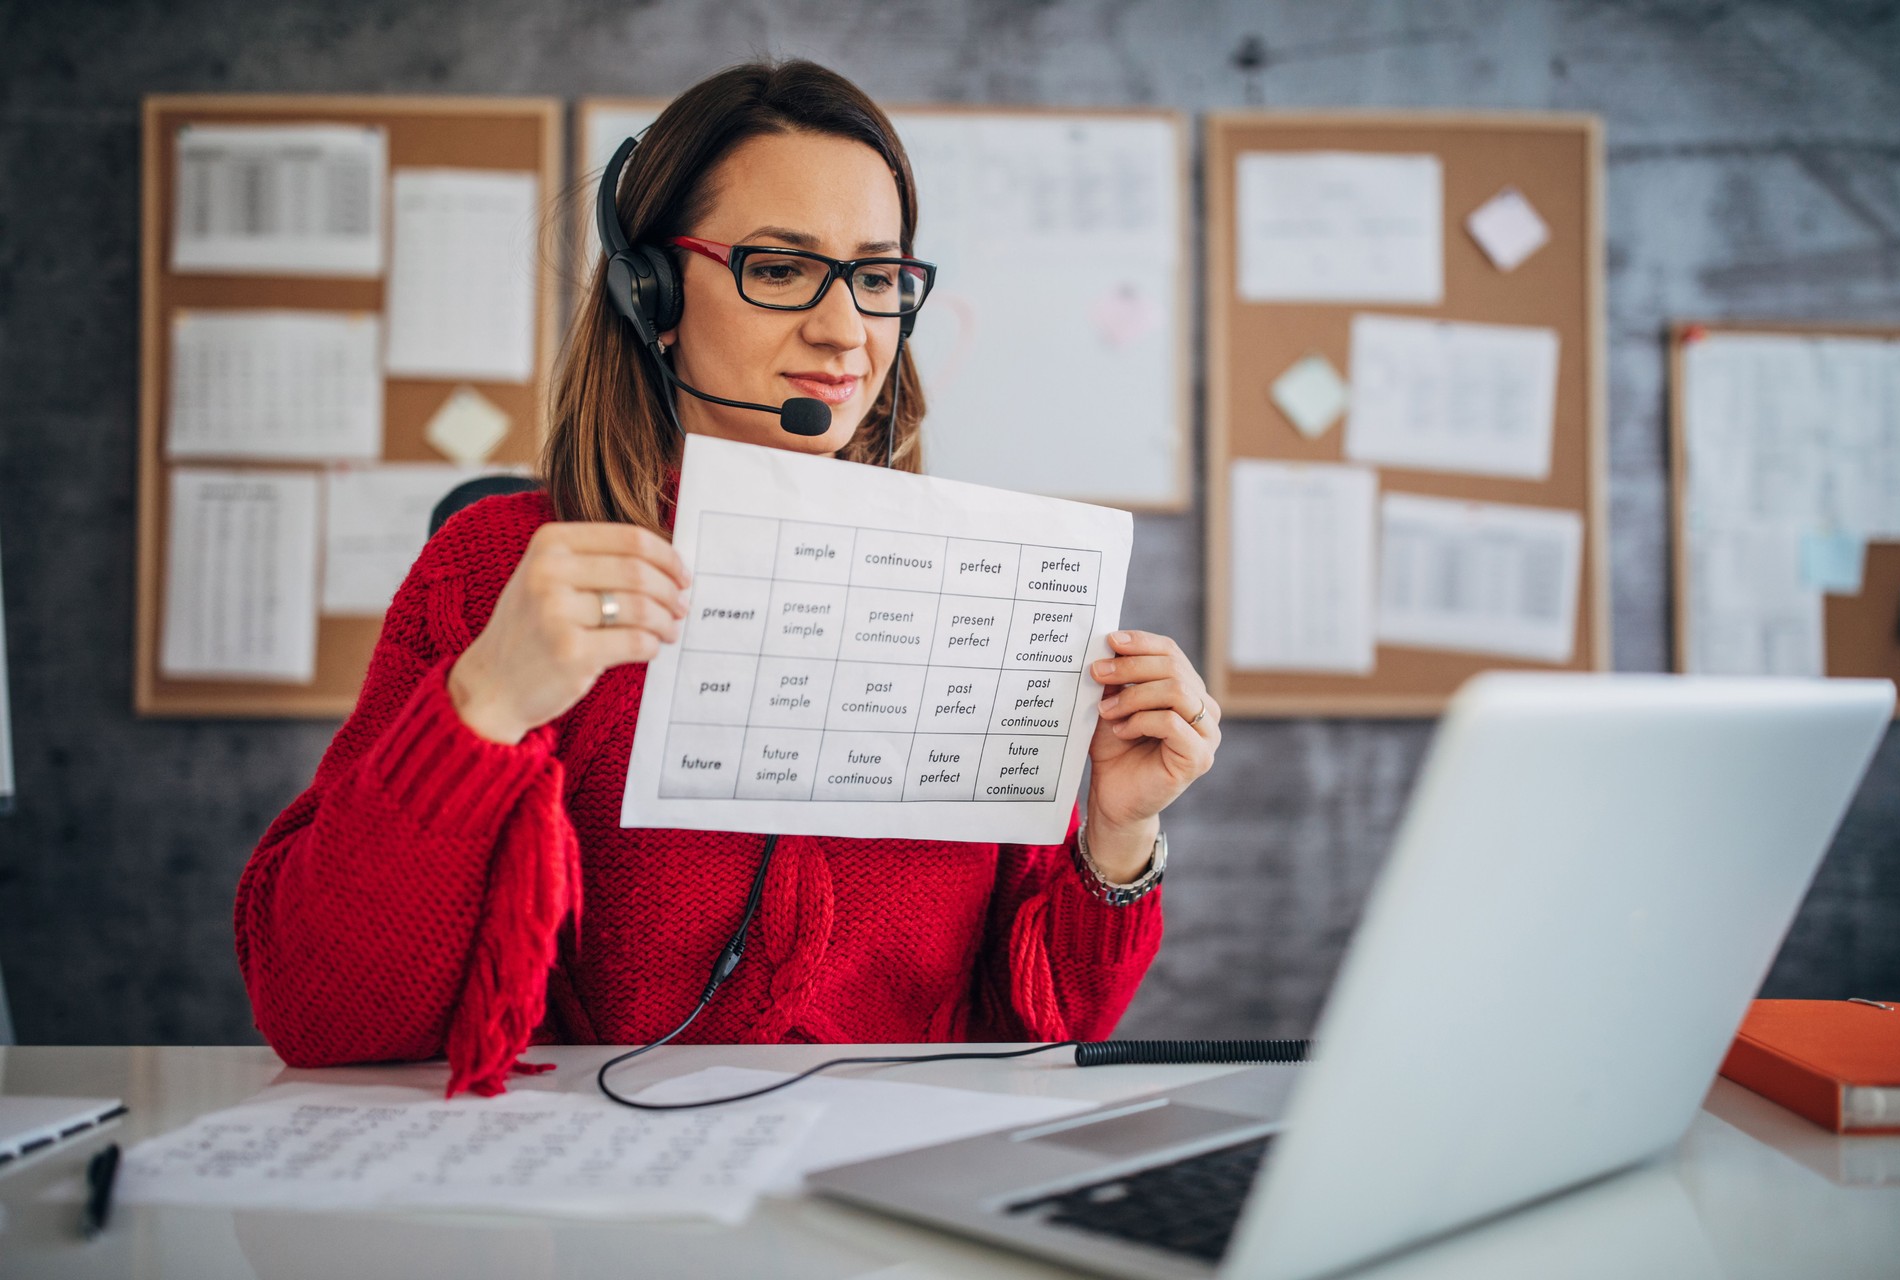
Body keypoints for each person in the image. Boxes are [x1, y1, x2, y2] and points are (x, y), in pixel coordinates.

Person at [235, 60, 1222, 1098]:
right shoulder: (496, 568)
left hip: (887, 1199)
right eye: (782, 269)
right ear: (652, 293)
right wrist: (482, 706)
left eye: (878, 278)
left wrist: (1118, 833)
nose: (846, 331)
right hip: (597, 1195)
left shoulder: (976, 587)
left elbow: (1038, 1033)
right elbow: (320, 1016)